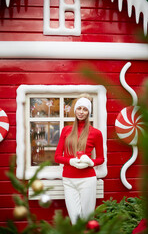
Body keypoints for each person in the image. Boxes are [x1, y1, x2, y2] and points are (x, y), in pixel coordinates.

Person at [54, 94, 104, 224]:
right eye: (79, 108)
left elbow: (101, 159)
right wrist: (70, 161)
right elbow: (57, 157)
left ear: (89, 112)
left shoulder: (96, 133)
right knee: (75, 220)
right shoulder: (66, 130)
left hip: (87, 179)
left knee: (87, 219)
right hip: (69, 180)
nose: (81, 112)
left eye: (85, 109)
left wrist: (90, 162)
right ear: (75, 110)